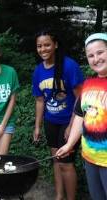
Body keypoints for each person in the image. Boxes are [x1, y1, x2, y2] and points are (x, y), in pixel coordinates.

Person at [32, 28, 84, 200]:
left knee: (65, 163)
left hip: (69, 122)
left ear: (55, 45)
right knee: (56, 160)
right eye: (39, 46)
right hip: (50, 121)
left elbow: (81, 97)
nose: (43, 49)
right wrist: (37, 126)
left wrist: (71, 125)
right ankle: (59, 196)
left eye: (47, 45)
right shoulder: (38, 71)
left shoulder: (69, 66)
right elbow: (40, 101)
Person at [56, 33, 107, 200]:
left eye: (100, 52)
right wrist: (70, 144)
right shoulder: (88, 84)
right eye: (90, 55)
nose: (96, 59)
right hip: (90, 157)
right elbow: (79, 116)